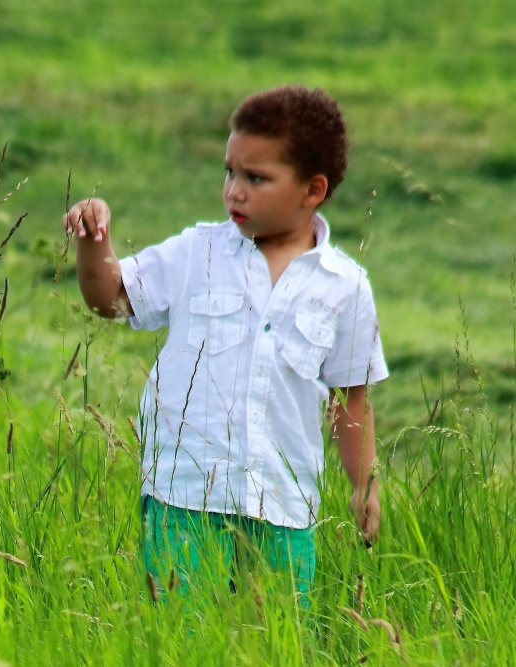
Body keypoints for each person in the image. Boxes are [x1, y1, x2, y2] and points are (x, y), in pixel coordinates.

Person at [61, 86, 388, 604]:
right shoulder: (199, 252)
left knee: (275, 638)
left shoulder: (344, 286)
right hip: (184, 496)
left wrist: (362, 483)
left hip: (283, 505)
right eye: (229, 172)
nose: (234, 190)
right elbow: (112, 299)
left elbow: (351, 400)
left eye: (256, 178)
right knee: (183, 634)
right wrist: (93, 240)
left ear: (312, 190)